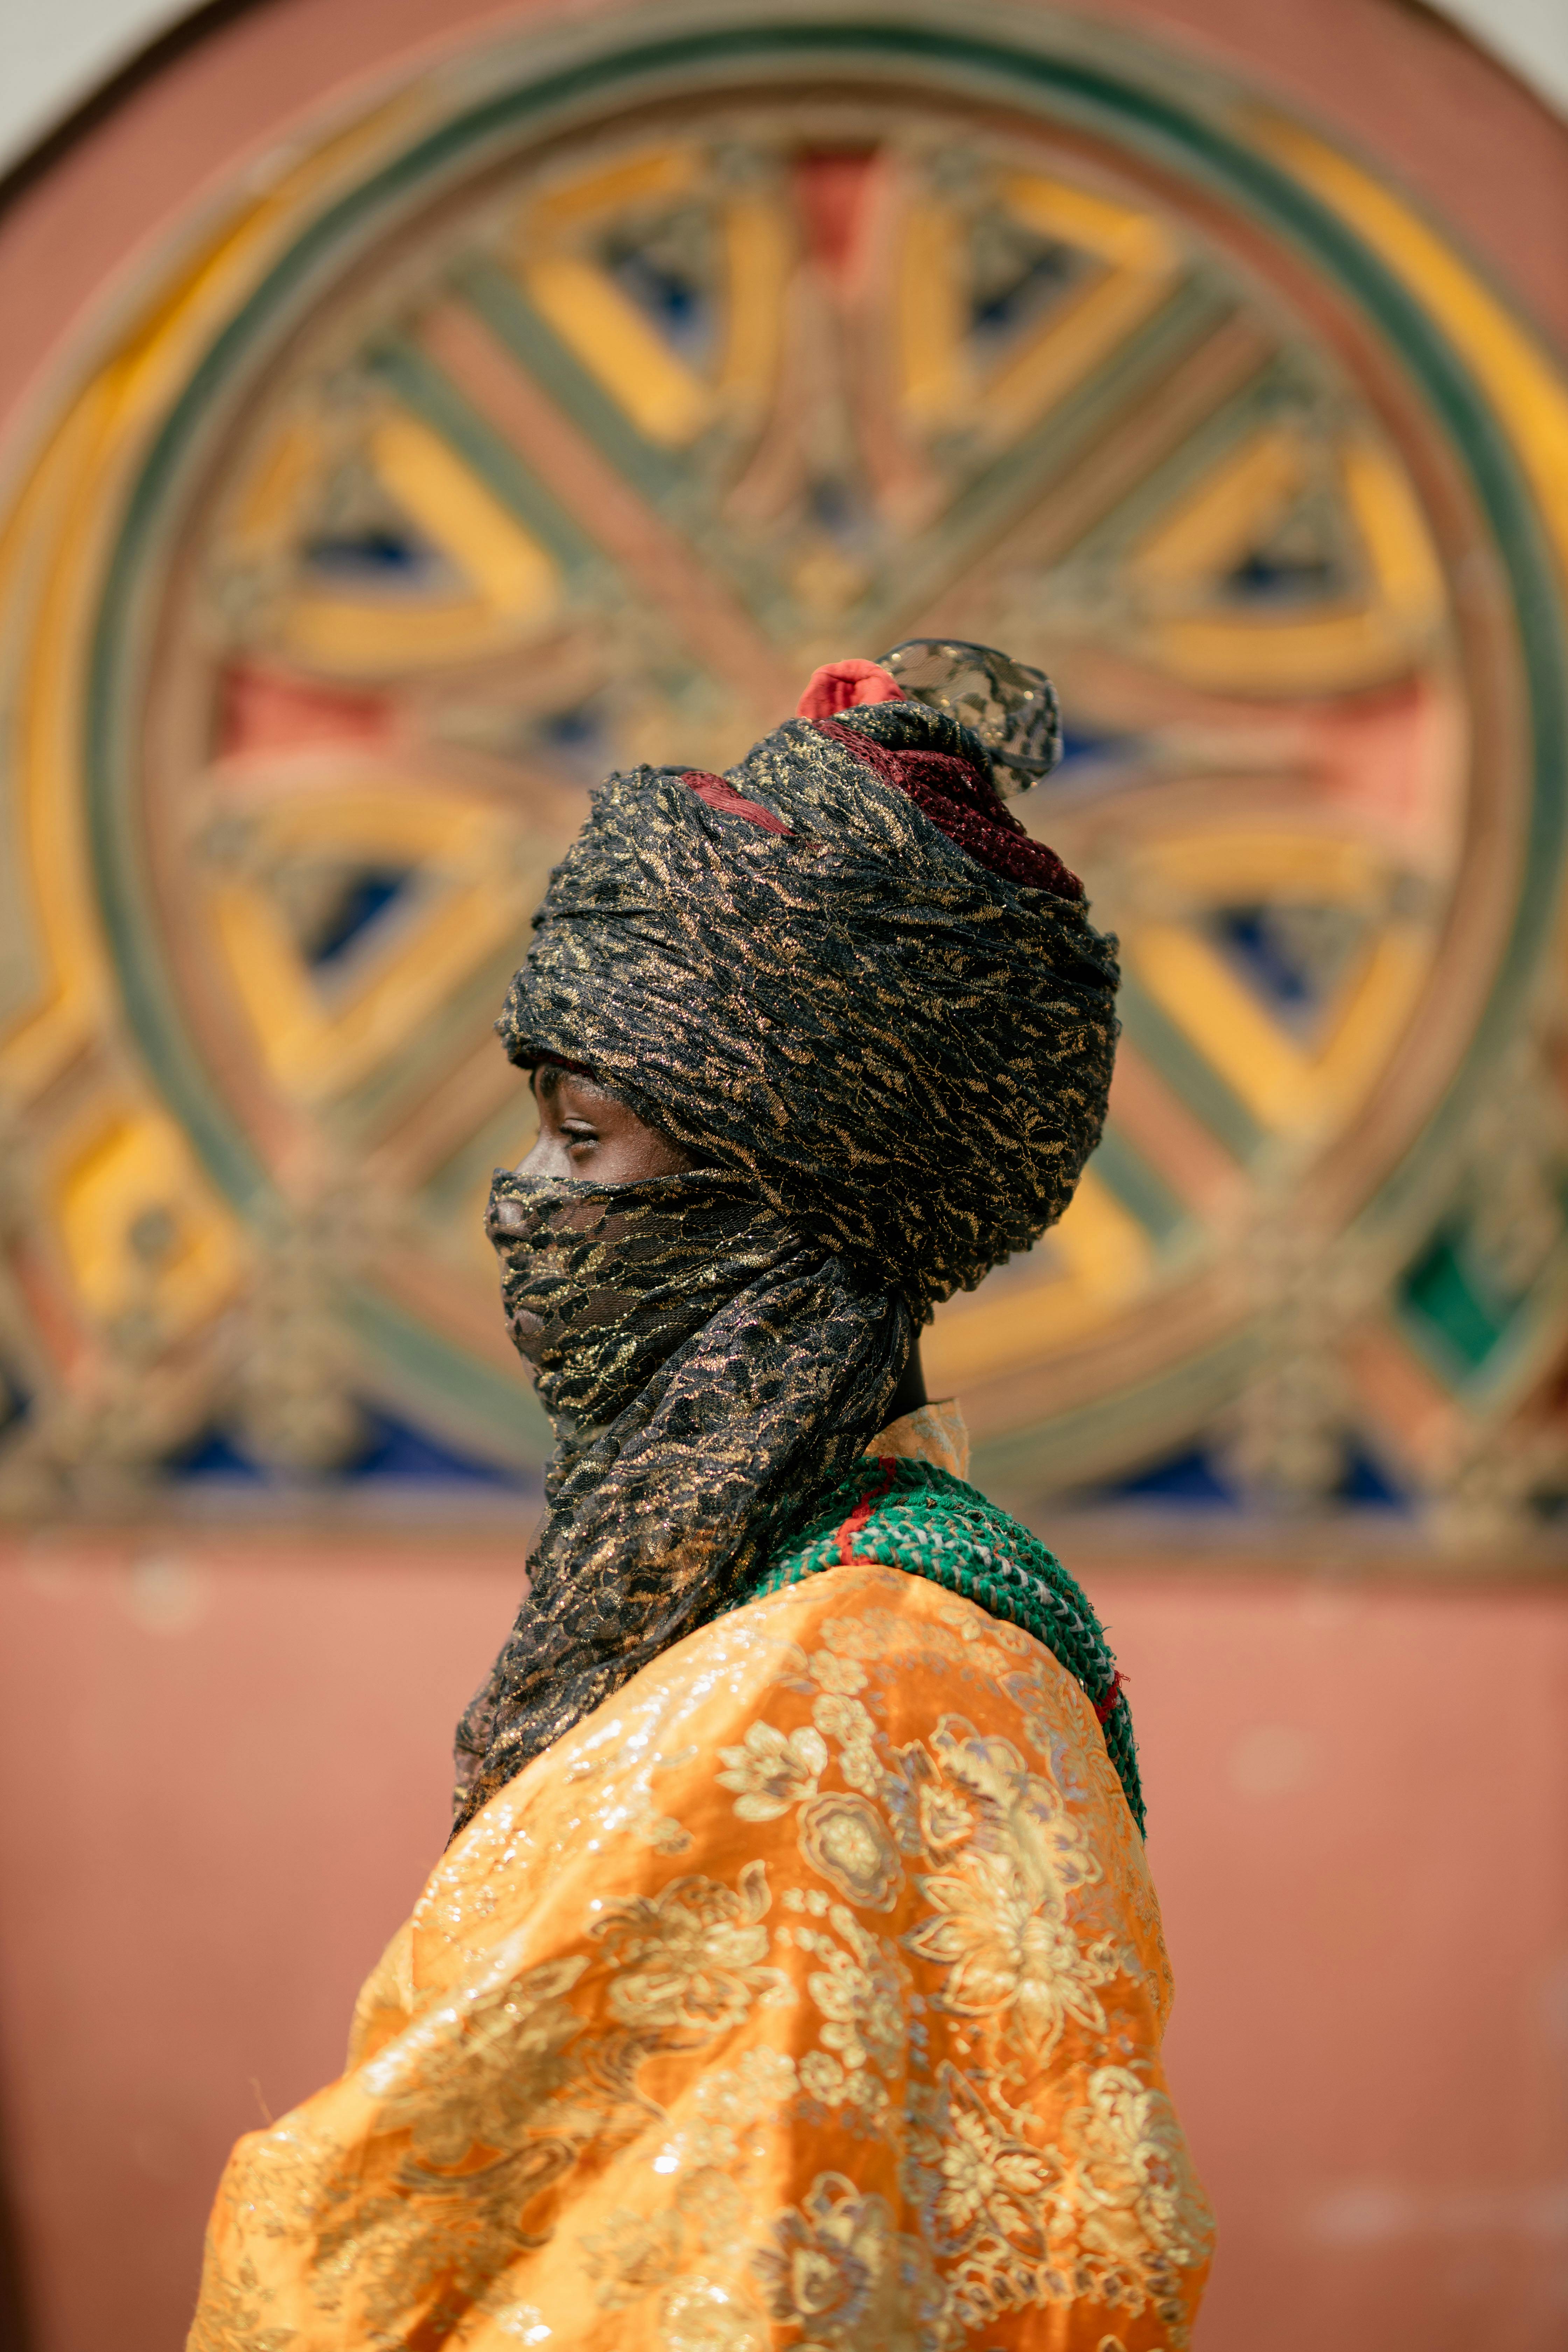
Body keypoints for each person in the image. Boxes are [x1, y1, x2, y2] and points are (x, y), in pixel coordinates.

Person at [189, 643, 1213, 2350]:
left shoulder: (843, 1690)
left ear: (775, 1193)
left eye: (585, 1140)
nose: (523, 1200)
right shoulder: (806, 1597)